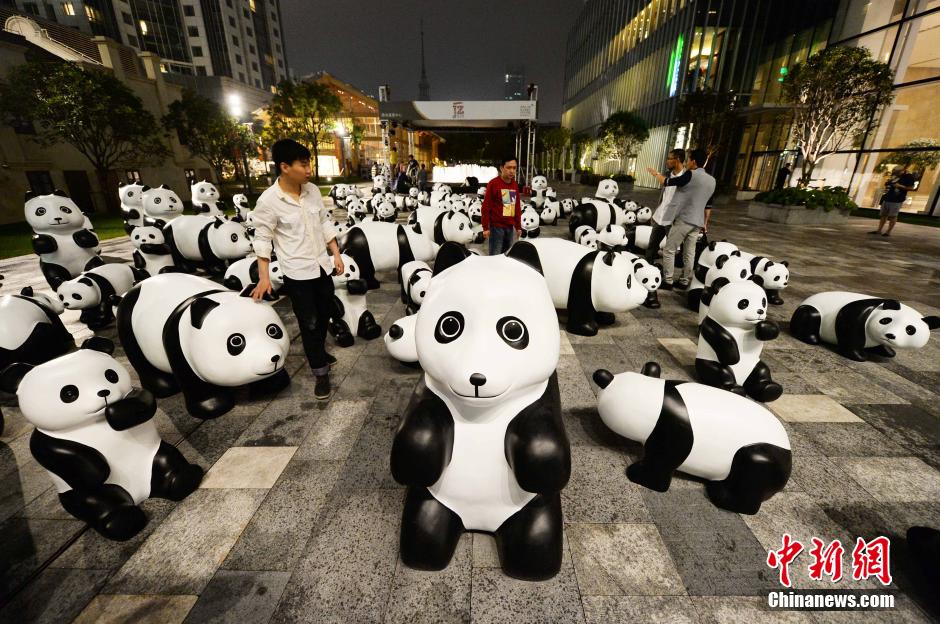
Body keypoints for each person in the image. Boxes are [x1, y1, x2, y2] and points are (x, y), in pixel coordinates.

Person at [251, 139, 343, 401]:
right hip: (298, 273)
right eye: (303, 164)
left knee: (324, 314)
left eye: (309, 163)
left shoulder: (312, 190)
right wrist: (264, 278)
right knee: (309, 322)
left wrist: (335, 254)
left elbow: (324, 222)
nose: (308, 169)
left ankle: (320, 353)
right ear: (284, 167)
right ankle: (320, 373)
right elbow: (262, 239)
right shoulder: (269, 201)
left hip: (321, 267)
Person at [646, 148, 716, 290]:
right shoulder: (712, 180)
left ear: (694, 161)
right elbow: (708, 205)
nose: (687, 162)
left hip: (684, 219)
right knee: (690, 253)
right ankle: (684, 281)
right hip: (697, 222)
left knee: (669, 250)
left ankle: (668, 280)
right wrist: (705, 223)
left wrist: (655, 174)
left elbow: (667, 182)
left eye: (689, 160)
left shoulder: (690, 175)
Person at [645, 149, 686, 264]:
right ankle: (647, 268)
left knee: (671, 250)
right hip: (660, 217)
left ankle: (667, 276)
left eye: (669, 158)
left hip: (673, 219)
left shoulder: (686, 176)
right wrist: (657, 211)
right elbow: (664, 197)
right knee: (652, 246)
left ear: (677, 160)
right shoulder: (667, 175)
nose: (666, 161)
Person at [482, 156, 522, 255]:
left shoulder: (514, 185)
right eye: (508, 167)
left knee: (507, 256)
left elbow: (516, 207)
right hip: (496, 228)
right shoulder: (494, 184)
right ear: (501, 168)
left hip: (510, 228)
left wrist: (518, 227)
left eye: (514, 168)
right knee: (495, 257)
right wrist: (485, 228)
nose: (512, 171)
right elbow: (486, 207)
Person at [871, 166, 916, 237]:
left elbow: (911, 188)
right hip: (887, 197)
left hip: (897, 199)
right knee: (883, 215)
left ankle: (888, 232)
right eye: (894, 172)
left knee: (893, 216)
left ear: (903, 171)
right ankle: (879, 230)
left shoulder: (909, 177)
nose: (895, 174)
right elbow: (888, 183)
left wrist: (900, 186)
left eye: (897, 172)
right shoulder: (895, 176)